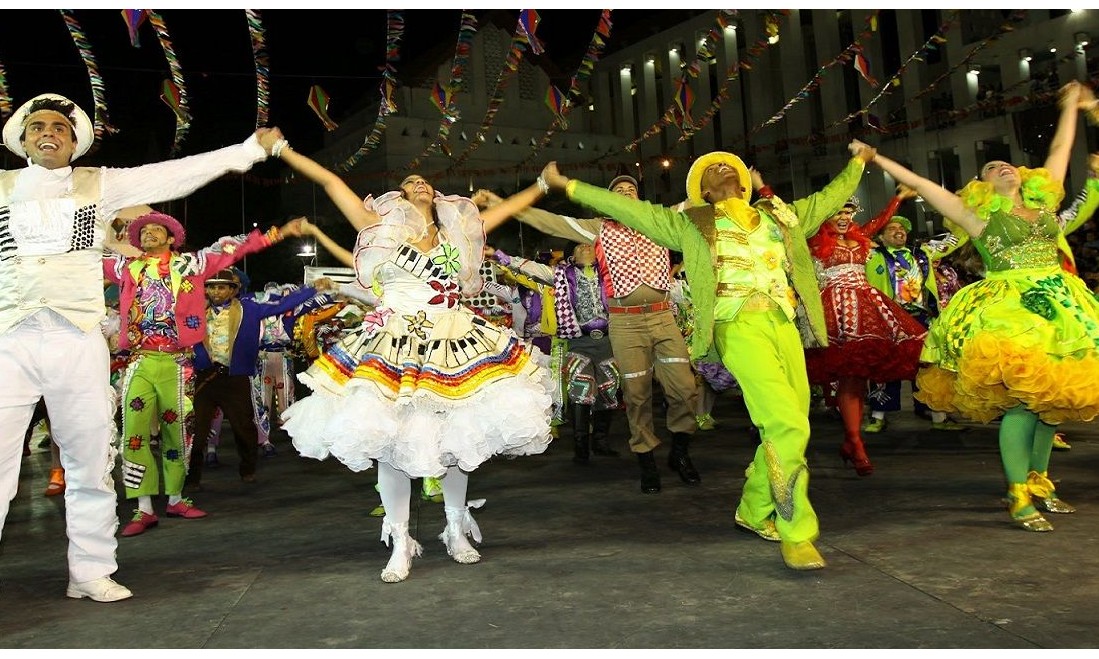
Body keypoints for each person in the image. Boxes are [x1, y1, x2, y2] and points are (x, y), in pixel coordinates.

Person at [538, 143, 875, 570]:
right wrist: (568, 185)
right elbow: (628, 212)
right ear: (703, 191)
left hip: (784, 323)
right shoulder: (691, 224)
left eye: (727, 163)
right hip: (738, 326)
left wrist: (858, 163)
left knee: (795, 424)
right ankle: (797, 530)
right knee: (786, 424)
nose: (720, 167)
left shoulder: (779, 215)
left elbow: (827, 199)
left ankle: (753, 510)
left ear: (742, 181)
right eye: (709, 168)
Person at [0, 92, 281, 602]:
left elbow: (172, 174)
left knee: (90, 457)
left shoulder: (99, 185)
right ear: (21, 140)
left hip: (77, 335)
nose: (50, 133)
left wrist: (245, 152)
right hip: (9, 339)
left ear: (74, 141)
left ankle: (89, 572)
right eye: (37, 125)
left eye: (61, 128)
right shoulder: (0, 188)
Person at [274, 135, 553, 583]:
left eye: (425, 180)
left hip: (455, 336)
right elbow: (329, 180)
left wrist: (542, 183)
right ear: (398, 197)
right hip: (396, 340)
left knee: (458, 441)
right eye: (409, 181)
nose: (419, 183)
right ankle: (401, 538)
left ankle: (455, 527)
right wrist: (283, 151)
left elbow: (505, 211)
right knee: (393, 443)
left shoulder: (456, 233)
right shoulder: (379, 227)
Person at [856, 80, 1099, 531]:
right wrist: (876, 158)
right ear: (982, 186)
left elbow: (1061, 148)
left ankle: (1041, 481)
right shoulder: (977, 216)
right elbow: (921, 182)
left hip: (1061, 306)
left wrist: (1070, 105)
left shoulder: (1043, 204)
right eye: (990, 166)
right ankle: (1017, 493)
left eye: (1005, 162)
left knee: (1053, 405)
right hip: (1009, 307)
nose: (1002, 165)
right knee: (1023, 404)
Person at [474, 175, 700, 495]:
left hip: (663, 317)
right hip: (625, 322)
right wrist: (501, 204)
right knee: (636, 395)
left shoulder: (661, 219)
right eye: (617, 192)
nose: (624, 193)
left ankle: (679, 451)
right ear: (608, 201)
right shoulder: (598, 229)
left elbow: (698, 200)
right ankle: (646, 461)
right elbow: (547, 221)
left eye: (630, 190)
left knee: (685, 389)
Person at [105, 211, 302, 536]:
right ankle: (142, 509)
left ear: (171, 239)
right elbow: (83, 259)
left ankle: (176, 498)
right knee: (134, 434)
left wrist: (276, 233)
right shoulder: (125, 268)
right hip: (139, 361)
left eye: (157, 230)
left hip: (178, 364)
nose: (149, 234)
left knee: (179, 433)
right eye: (144, 232)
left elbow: (231, 249)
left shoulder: (189, 266)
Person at [796, 190, 929, 477]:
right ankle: (855, 443)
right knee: (846, 376)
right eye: (837, 213)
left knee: (856, 378)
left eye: (848, 213)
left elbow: (879, 222)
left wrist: (898, 199)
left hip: (865, 307)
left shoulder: (859, 237)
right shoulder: (813, 240)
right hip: (834, 310)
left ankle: (852, 441)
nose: (844, 218)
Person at [186, 268, 337, 490]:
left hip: (235, 377)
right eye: (211, 287)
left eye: (221, 287)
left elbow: (283, 305)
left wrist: (312, 288)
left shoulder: (249, 309)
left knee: (244, 428)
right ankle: (193, 479)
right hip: (206, 378)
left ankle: (247, 469)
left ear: (232, 290)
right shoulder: (196, 312)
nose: (215, 292)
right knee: (197, 431)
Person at [488, 243, 621, 463]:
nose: (586, 247)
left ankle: (601, 442)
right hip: (578, 344)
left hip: (609, 342)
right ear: (571, 255)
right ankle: (581, 448)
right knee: (581, 390)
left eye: (589, 244)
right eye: (580, 246)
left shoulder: (611, 274)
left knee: (609, 391)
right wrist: (500, 256)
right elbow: (529, 267)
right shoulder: (560, 276)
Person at [863, 194, 967, 435]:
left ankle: (938, 416)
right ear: (881, 235)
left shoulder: (923, 253)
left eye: (902, 228)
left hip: (922, 318)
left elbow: (957, 238)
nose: (899, 231)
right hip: (889, 319)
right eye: (893, 228)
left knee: (928, 366)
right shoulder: (872, 256)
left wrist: (960, 209)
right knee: (885, 367)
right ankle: (878, 416)